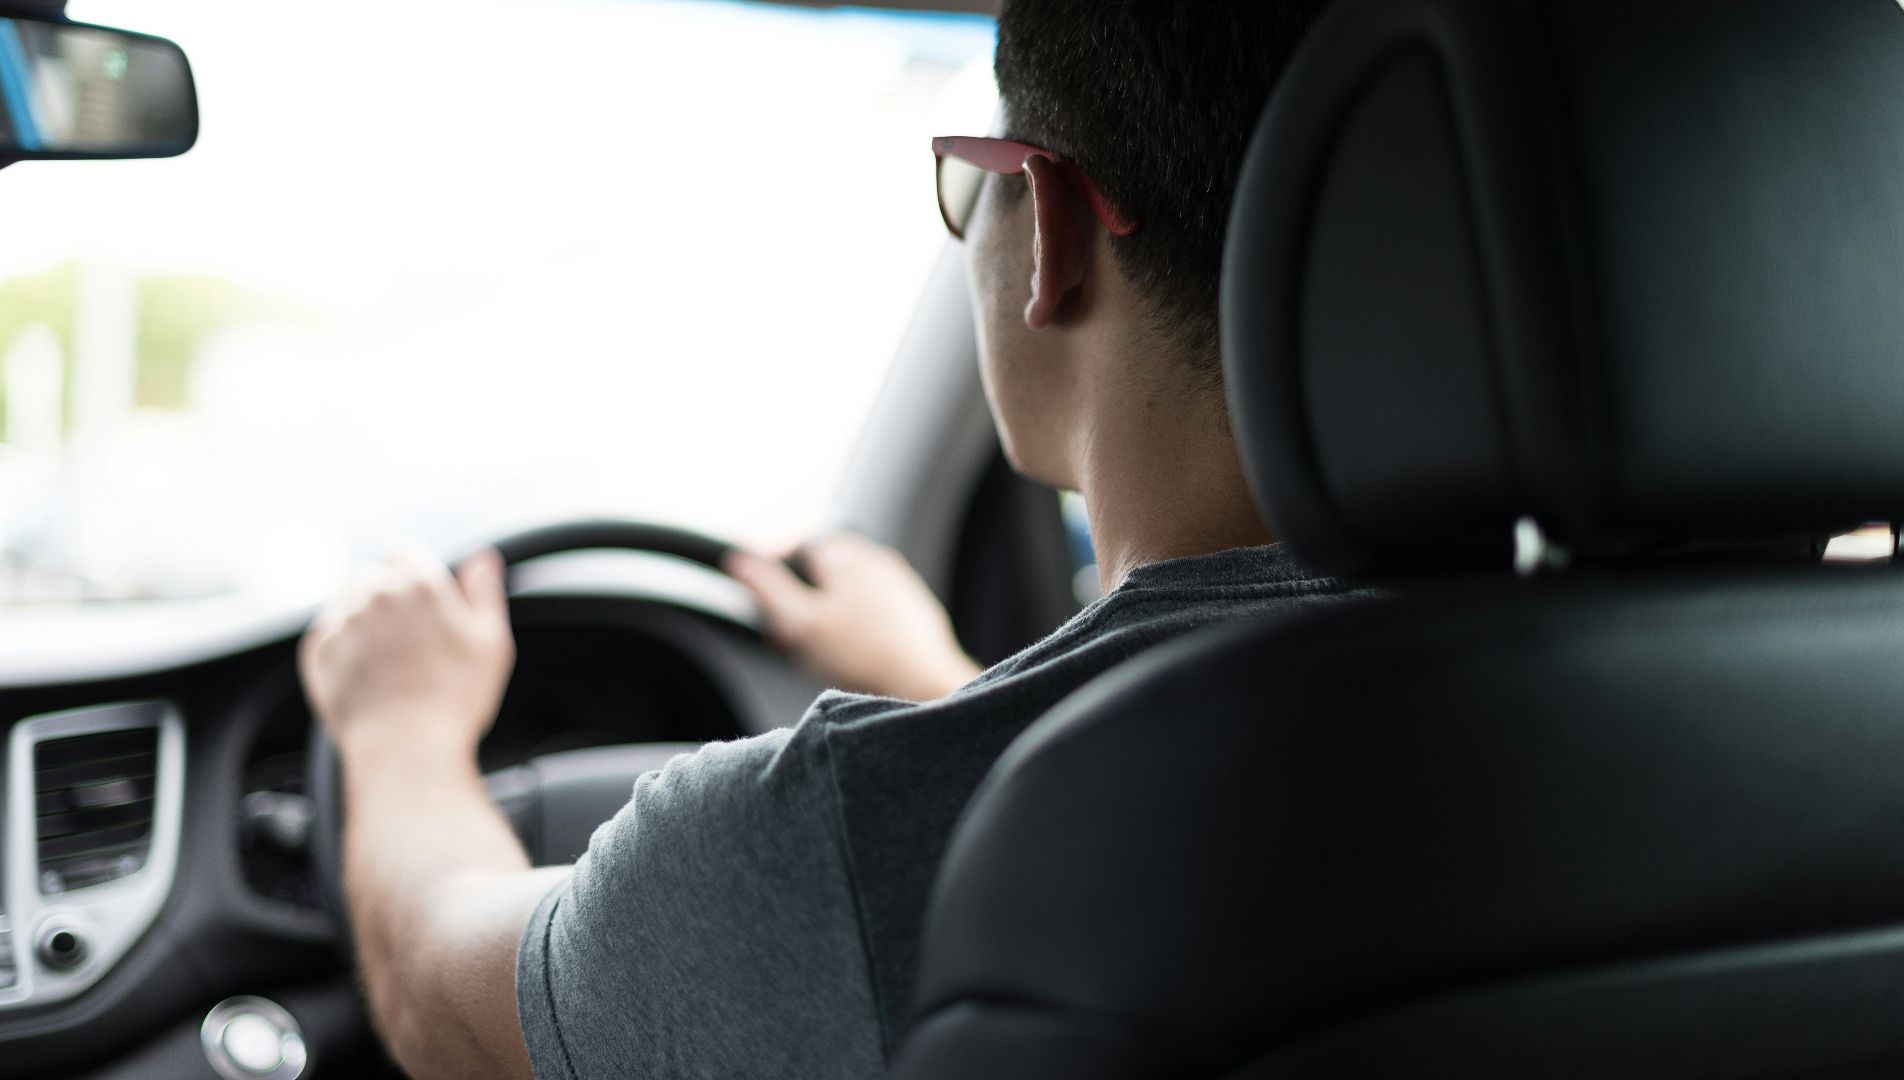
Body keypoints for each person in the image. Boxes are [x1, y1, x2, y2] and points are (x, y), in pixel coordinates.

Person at [297, 2, 1344, 1078]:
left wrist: (402, 736)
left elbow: (441, 1000)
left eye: (967, 176)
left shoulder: (837, 838)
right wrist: (937, 682)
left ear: (1049, 228)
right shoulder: (1510, 682)